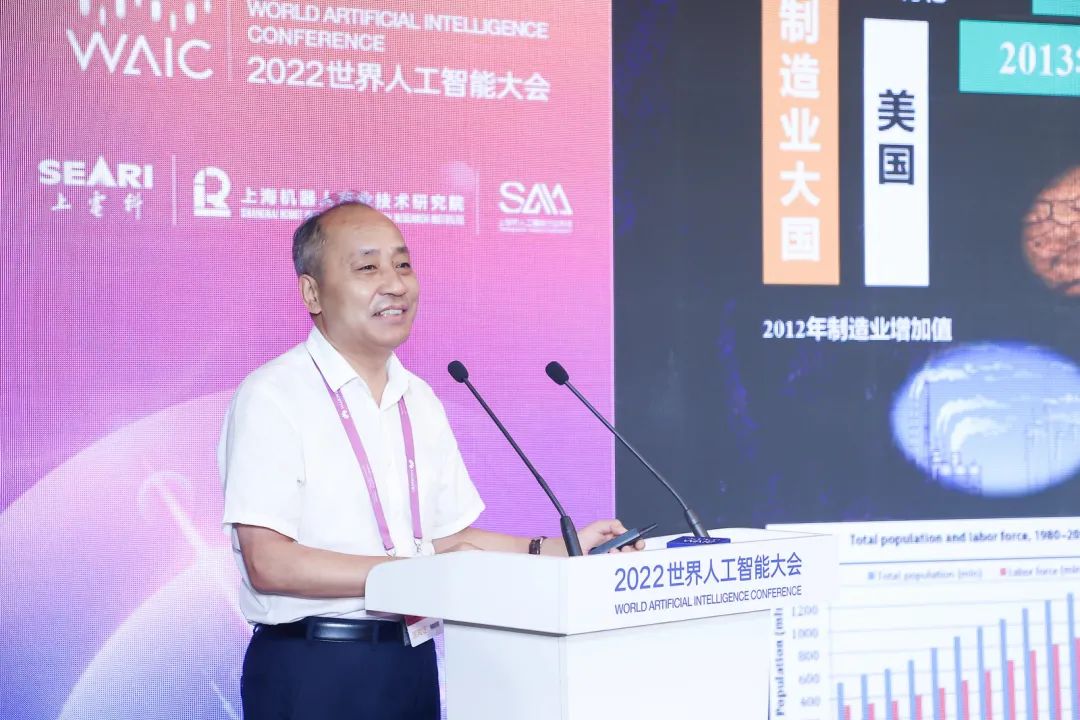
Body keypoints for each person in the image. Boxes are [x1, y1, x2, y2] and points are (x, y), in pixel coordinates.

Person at [219, 201, 641, 719]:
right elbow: (269, 563)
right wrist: (419, 573)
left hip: (411, 661)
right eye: (368, 267)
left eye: (403, 264)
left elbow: (441, 541)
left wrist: (561, 551)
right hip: (314, 668)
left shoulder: (419, 398)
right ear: (312, 292)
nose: (395, 284)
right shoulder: (274, 395)